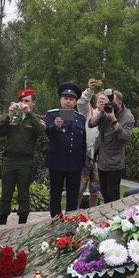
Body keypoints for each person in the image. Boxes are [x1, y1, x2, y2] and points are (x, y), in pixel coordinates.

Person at [0, 89, 40, 225]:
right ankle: (1, 222)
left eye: (27, 101)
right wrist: (9, 114)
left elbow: (40, 130)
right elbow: (0, 131)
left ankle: (22, 223)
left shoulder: (34, 119)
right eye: (22, 101)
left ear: (33, 103)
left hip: (25, 161)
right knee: (6, 194)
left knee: (23, 194)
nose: (23, 104)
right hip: (10, 160)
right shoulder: (13, 117)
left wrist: (29, 113)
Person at [45, 83, 86, 217]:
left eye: (71, 99)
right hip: (57, 162)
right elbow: (47, 131)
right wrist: (55, 126)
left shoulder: (80, 118)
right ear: (61, 100)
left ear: (75, 102)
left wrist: (82, 162)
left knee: (73, 194)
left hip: (74, 164)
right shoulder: (52, 114)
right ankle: (55, 220)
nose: (68, 101)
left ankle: (70, 220)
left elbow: (82, 142)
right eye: (65, 98)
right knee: (55, 194)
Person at [89, 87, 134, 204]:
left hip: (115, 162)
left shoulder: (127, 116)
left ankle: (114, 218)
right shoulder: (106, 110)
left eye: (112, 102)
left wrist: (114, 120)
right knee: (104, 193)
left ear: (119, 102)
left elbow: (125, 137)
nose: (110, 104)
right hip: (102, 160)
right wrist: (102, 112)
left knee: (113, 194)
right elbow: (91, 124)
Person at [78, 79, 104, 208]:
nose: (101, 101)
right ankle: (74, 213)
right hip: (86, 155)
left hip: (99, 158)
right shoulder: (89, 112)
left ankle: (93, 215)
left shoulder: (108, 116)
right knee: (80, 187)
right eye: (99, 99)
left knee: (95, 189)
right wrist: (89, 91)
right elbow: (82, 103)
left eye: (104, 100)